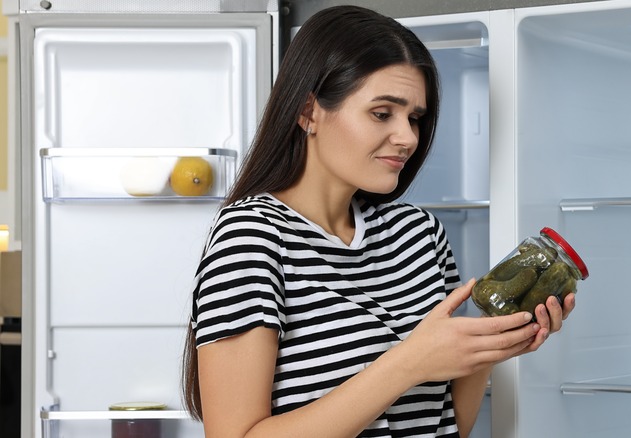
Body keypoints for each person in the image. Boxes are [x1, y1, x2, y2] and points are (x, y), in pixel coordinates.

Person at [181, 5, 575, 437]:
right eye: (382, 113)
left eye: (415, 118)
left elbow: (448, 425)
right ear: (308, 111)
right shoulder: (253, 238)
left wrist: (492, 340)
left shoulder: (420, 235)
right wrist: (408, 363)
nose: (407, 137)